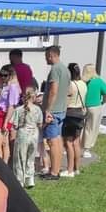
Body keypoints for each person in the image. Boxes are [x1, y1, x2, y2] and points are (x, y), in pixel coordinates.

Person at [40, 45, 70, 180]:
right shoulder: (65, 69)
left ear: (52, 55)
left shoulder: (55, 70)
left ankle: (54, 172)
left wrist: (48, 109)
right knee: (57, 140)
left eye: (47, 56)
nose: (46, 59)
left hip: (54, 110)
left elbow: (53, 90)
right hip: (61, 109)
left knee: (52, 142)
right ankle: (56, 169)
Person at [10, 86, 43, 188]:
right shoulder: (37, 109)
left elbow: (14, 125)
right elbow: (40, 124)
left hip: (22, 134)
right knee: (31, 157)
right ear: (33, 97)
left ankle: (20, 180)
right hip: (34, 134)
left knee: (20, 158)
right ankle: (30, 179)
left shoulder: (18, 110)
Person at [60, 62, 87, 177]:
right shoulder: (83, 84)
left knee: (68, 142)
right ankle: (77, 168)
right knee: (76, 142)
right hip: (80, 112)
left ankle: (69, 170)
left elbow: (66, 99)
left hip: (70, 113)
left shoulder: (70, 84)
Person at [0, 64, 21, 165]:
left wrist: (5, 123)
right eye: (1, 75)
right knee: (5, 143)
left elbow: (11, 106)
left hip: (5, 116)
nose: (2, 77)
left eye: (5, 75)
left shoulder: (12, 87)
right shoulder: (4, 86)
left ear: (11, 75)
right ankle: (4, 165)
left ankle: (0, 166)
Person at [80, 64, 106, 159]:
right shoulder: (98, 81)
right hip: (95, 107)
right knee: (91, 128)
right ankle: (86, 149)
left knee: (81, 127)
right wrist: (102, 102)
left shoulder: (83, 82)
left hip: (83, 107)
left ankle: (76, 145)